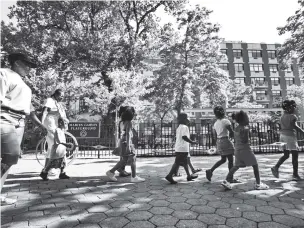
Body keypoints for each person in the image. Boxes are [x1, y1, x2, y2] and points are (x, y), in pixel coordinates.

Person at [0, 52, 46, 205]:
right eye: (27, 65)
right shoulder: (4, 73)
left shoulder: (24, 84)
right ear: (17, 63)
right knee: (11, 155)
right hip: (5, 117)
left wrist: (41, 125)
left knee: (10, 159)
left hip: (20, 122)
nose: (29, 69)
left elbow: (30, 109)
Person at [221, 110, 269, 190]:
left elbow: (238, 139)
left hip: (237, 149)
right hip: (245, 150)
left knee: (236, 166)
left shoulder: (236, 128)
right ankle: (258, 184)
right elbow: (244, 140)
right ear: (244, 119)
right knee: (255, 165)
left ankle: (226, 180)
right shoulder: (245, 128)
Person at [106, 107, 145, 182]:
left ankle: (111, 172)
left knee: (124, 160)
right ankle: (134, 177)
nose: (134, 115)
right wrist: (128, 145)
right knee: (133, 158)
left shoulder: (123, 122)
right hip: (127, 142)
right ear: (131, 115)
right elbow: (128, 134)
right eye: (133, 114)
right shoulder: (129, 122)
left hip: (123, 141)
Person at [271, 100, 304, 180]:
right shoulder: (292, 116)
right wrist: (302, 132)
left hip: (282, 136)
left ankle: (276, 167)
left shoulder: (282, 116)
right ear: (289, 107)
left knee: (286, 155)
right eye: (293, 106)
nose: (294, 108)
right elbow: (294, 126)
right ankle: (295, 174)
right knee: (295, 155)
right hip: (290, 137)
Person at [205, 106, 240, 183]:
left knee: (223, 159)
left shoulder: (216, 123)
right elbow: (231, 132)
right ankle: (230, 178)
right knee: (231, 160)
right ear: (223, 112)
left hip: (219, 141)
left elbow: (215, 135)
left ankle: (210, 170)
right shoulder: (226, 121)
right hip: (225, 141)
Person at [41, 89, 69, 175]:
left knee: (57, 146)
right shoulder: (50, 101)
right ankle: (50, 169)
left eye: (63, 96)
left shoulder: (57, 103)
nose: (62, 97)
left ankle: (51, 169)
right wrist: (41, 125)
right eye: (61, 96)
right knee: (55, 146)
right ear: (56, 94)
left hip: (55, 125)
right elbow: (45, 112)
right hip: (49, 124)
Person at [165, 113, 198, 184]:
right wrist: (192, 142)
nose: (188, 119)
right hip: (182, 148)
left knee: (185, 162)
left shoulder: (179, 127)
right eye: (187, 118)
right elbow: (184, 137)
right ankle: (169, 175)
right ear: (184, 119)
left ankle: (189, 176)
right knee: (177, 162)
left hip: (180, 148)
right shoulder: (184, 127)